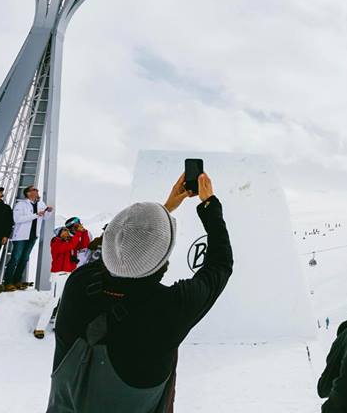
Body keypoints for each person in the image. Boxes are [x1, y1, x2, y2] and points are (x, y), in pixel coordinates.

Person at [47, 173, 232, 412]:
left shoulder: (78, 284)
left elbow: (118, 251)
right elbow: (219, 265)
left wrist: (163, 211)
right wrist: (210, 206)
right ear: (162, 258)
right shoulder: (169, 309)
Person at [3, 185, 52, 291]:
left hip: (33, 236)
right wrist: (35, 215)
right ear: (28, 193)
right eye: (34, 190)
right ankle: (7, 282)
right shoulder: (21, 204)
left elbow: (45, 218)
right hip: (21, 236)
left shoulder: (41, 204)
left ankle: (17, 281)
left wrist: (48, 211)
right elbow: (17, 219)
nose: (37, 191)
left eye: (37, 189)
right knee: (15, 258)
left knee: (25, 258)